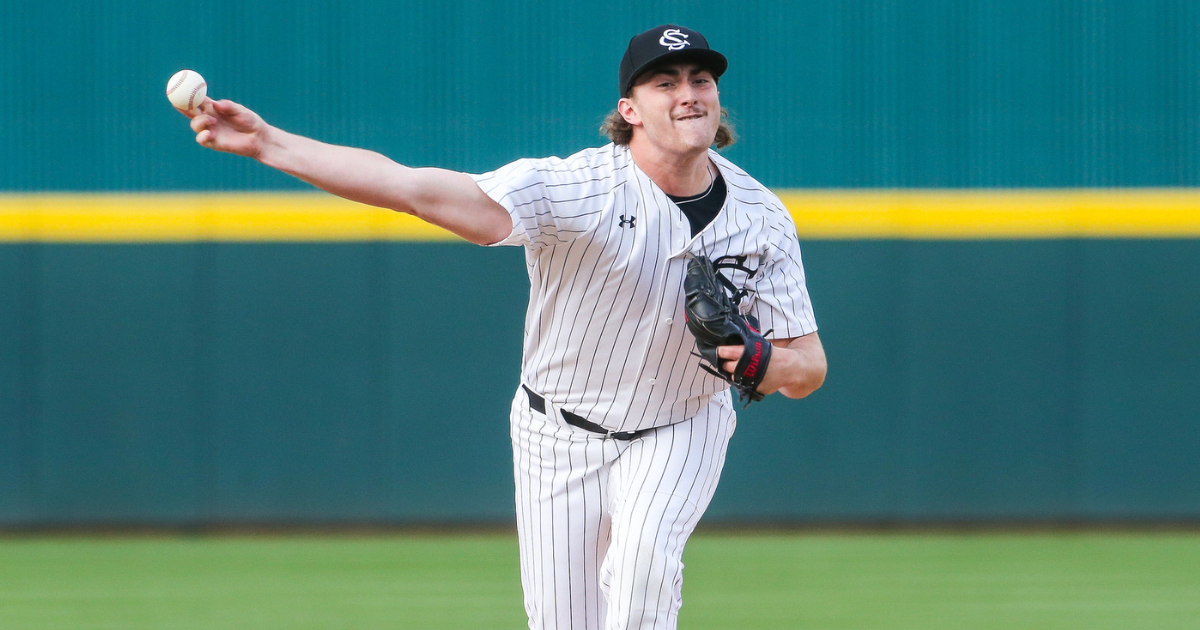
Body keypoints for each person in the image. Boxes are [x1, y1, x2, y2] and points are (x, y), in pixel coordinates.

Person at [181, 23, 826, 630]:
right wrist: (269, 143)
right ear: (629, 110)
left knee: (641, 569)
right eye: (666, 83)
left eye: (700, 80)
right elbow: (412, 188)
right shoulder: (574, 190)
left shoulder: (760, 218)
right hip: (557, 431)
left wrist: (761, 361)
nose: (689, 94)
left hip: (680, 424)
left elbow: (808, 368)